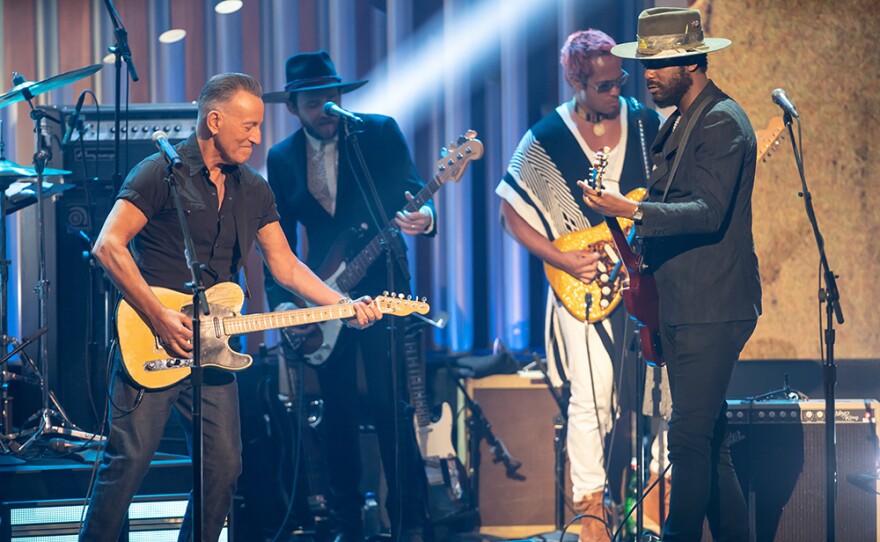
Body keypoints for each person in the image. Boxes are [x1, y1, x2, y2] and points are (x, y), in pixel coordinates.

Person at [81, 73, 382, 542]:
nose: (257, 137)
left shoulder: (254, 189)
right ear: (214, 119)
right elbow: (108, 246)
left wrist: (343, 304)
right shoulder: (159, 172)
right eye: (248, 125)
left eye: (260, 126)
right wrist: (158, 315)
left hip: (215, 347)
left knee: (223, 468)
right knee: (130, 464)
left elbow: (286, 267)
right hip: (155, 339)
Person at [582, 8, 762, 541]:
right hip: (683, 305)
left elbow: (707, 210)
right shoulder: (679, 122)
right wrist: (628, 244)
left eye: (659, 65)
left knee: (685, 442)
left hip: (714, 306)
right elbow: (671, 205)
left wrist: (631, 210)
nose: (647, 75)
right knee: (709, 447)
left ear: (692, 62)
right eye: (646, 65)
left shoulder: (723, 121)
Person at [495, 29, 663, 541]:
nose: (618, 91)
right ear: (576, 81)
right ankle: (591, 505)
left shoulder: (644, 122)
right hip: (583, 284)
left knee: (664, 388)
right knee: (592, 395)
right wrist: (562, 259)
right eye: (606, 85)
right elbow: (510, 213)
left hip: (647, 277)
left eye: (621, 81)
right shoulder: (545, 137)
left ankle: (659, 486)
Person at [261, 51, 435, 542]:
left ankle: (408, 522)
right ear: (293, 106)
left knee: (390, 406)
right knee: (336, 412)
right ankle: (345, 522)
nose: (325, 109)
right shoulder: (281, 158)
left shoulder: (378, 133)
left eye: (331, 97)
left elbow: (413, 191)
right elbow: (278, 241)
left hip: (384, 288)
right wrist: (286, 306)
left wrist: (427, 219)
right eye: (313, 101)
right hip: (320, 297)